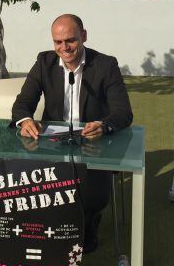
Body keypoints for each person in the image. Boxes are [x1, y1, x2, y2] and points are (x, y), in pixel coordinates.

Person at [11, 13, 133, 252]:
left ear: (83, 36)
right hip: (53, 144)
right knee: (33, 187)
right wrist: (25, 120)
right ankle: (51, 228)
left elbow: (123, 113)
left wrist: (103, 125)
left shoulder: (106, 65)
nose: (64, 48)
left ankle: (88, 223)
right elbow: (22, 103)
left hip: (93, 145)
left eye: (71, 40)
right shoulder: (44, 63)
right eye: (58, 42)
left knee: (93, 196)